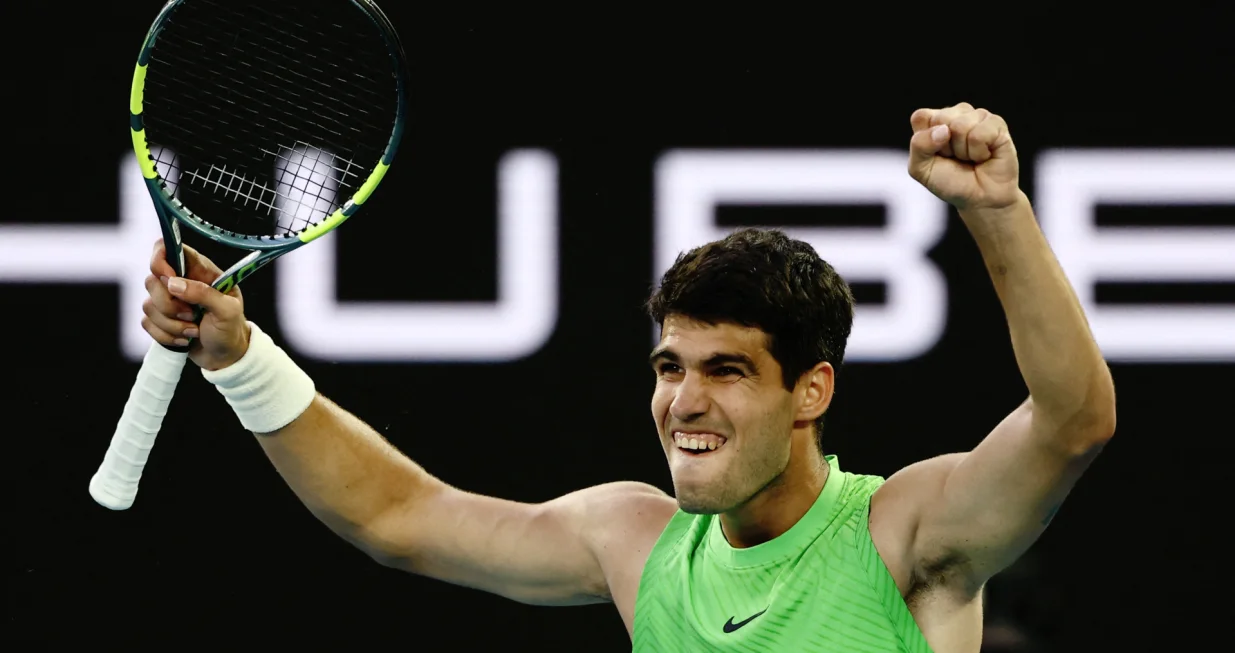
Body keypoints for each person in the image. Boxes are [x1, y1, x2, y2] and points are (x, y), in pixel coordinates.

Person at [139, 103, 1116, 652]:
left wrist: (995, 211)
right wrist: (238, 357)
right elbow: (397, 518)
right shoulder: (634, 541)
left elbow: (1070, 420)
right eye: (669, 366)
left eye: (726, 371)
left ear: (809, 390)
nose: (683, 401)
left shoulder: (906, 532)